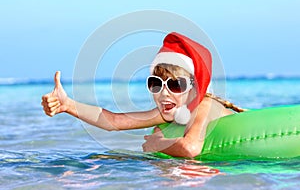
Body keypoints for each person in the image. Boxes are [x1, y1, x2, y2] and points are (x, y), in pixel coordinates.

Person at [41, 32, 244, 158]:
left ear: (194, 88)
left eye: (175, 85)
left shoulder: (205, 106)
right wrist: (68, 105)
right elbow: (114, 121)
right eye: (156, 84)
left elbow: (191, 148)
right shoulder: (168, 113)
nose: (164, 93)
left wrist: (157, 144)